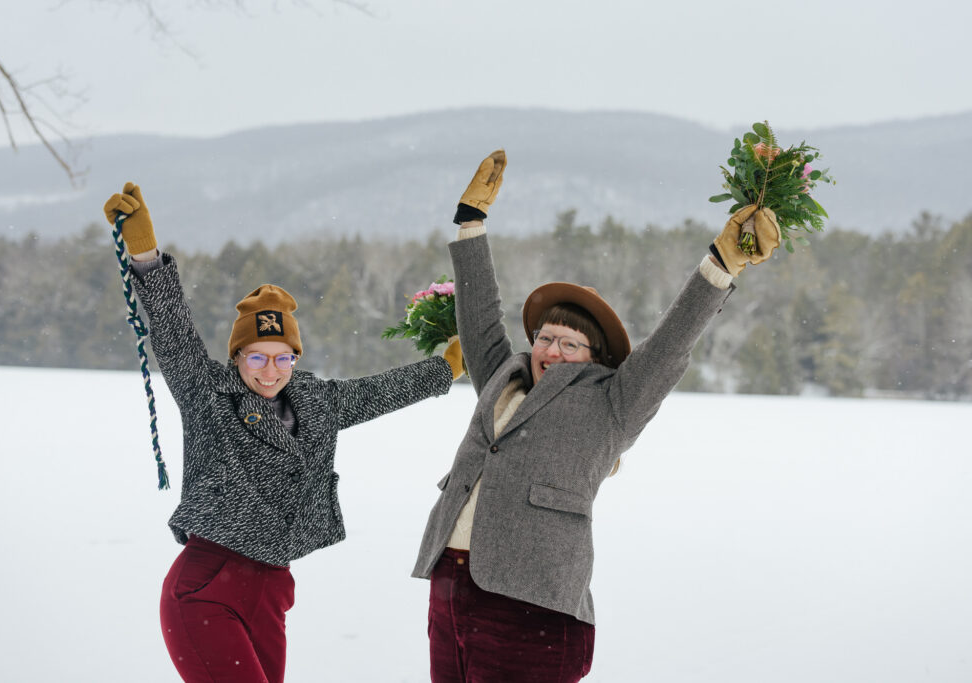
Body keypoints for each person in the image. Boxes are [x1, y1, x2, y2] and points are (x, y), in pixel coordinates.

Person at [411, 151, 780, 682]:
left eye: (569, 343)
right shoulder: (502, 378)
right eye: (545, 337)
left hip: (531, 605)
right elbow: (480, 318)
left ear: (596, 356)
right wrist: (471, 224)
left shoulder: (613, 402)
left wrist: (720, 264)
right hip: (452, 586)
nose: (551, 350)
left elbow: (670, 344)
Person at [102, 182, 464, 683]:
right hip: (206, 589)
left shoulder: (317, 402)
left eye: (282, 358)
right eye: (256, 357)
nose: (270, 371)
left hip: (271, 592)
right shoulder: (209, 394)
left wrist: (444, 369)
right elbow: (173, 331)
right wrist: (145, 254)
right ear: (237, 357)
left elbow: (378, 391)